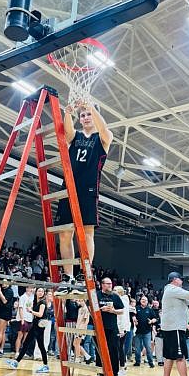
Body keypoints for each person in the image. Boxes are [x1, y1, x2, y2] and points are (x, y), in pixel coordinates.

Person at [54, 103, 113, 294]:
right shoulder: (77, 137)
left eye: (89, 114)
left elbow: (104, 129)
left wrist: (92, 107)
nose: (86, 117)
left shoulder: (103, 137)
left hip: (88, 190)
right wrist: (69, 113)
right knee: (64, 233)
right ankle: (68, 277)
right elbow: (68, 132)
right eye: (84, 115)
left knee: (87, 233)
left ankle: (83, 274)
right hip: (69, 188)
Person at [6, 287, 49, 373]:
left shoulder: (42, 303)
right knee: (26, 343)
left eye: (42, 291)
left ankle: (45, 366)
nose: (40, 292)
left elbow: (40, 314)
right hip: (35, 325)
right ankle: (16, 362)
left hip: (40, 327)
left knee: (41, 346)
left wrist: (31, 311)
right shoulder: (35, 301)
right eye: (39, 291)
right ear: (36, 292)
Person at [94, 277, 124, 376]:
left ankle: (115, 374)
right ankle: (99, 372)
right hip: (99, 327)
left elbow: (121, 310)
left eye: (111, 284)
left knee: (114, 350)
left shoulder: (115, 296)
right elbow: (90, 308)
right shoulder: (96, 295)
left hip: (112, 327)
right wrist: (99, 310)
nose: (110, 286)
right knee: (99, 350)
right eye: (108, 284)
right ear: (102, 284)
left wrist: (113, 310)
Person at [133, 295, 156, 368]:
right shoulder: (136, 308)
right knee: (137, 348)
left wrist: (152, 321)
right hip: (137, 332)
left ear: (147, 302)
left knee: (148, 348)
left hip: (147, 332)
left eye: (145, 300)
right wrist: (133, 318)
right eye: (142, 299)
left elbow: (155, 319)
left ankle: (150, 362)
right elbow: (132, 315)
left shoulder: (150, 310)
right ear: (140, 301)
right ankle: (137, 362)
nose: (143, 301)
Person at [0, 280, 14, 357]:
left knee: (0, 331)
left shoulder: (9, 291)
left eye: (5, 282)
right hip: (2, 312)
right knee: (3, 332)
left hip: (4, 313)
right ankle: (1, 349)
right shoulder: (5, 290)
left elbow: (4, 301)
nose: (3, 283)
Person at [113, 285, 130, 376]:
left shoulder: (122, 301)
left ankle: (122, 368)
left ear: (119, 292)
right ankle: (122, 365)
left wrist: (121, 329)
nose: (113, 291)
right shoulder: (122, 300)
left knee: (119, 348)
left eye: (115, 290)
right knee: (119, 348)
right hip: (120, 327)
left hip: (121, 328)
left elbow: (122, 317)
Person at [15, 286, 34, 358]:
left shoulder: (32, 297)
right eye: (30, 288)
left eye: (32, 288)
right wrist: (22, 319)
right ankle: (17, 352)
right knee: (20, 336)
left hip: (30, 319)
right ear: (27, 288)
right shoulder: (23, 297)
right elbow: (20, 308)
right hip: (23, 319)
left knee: (26, 338)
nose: (31, 289)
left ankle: (23, 352)